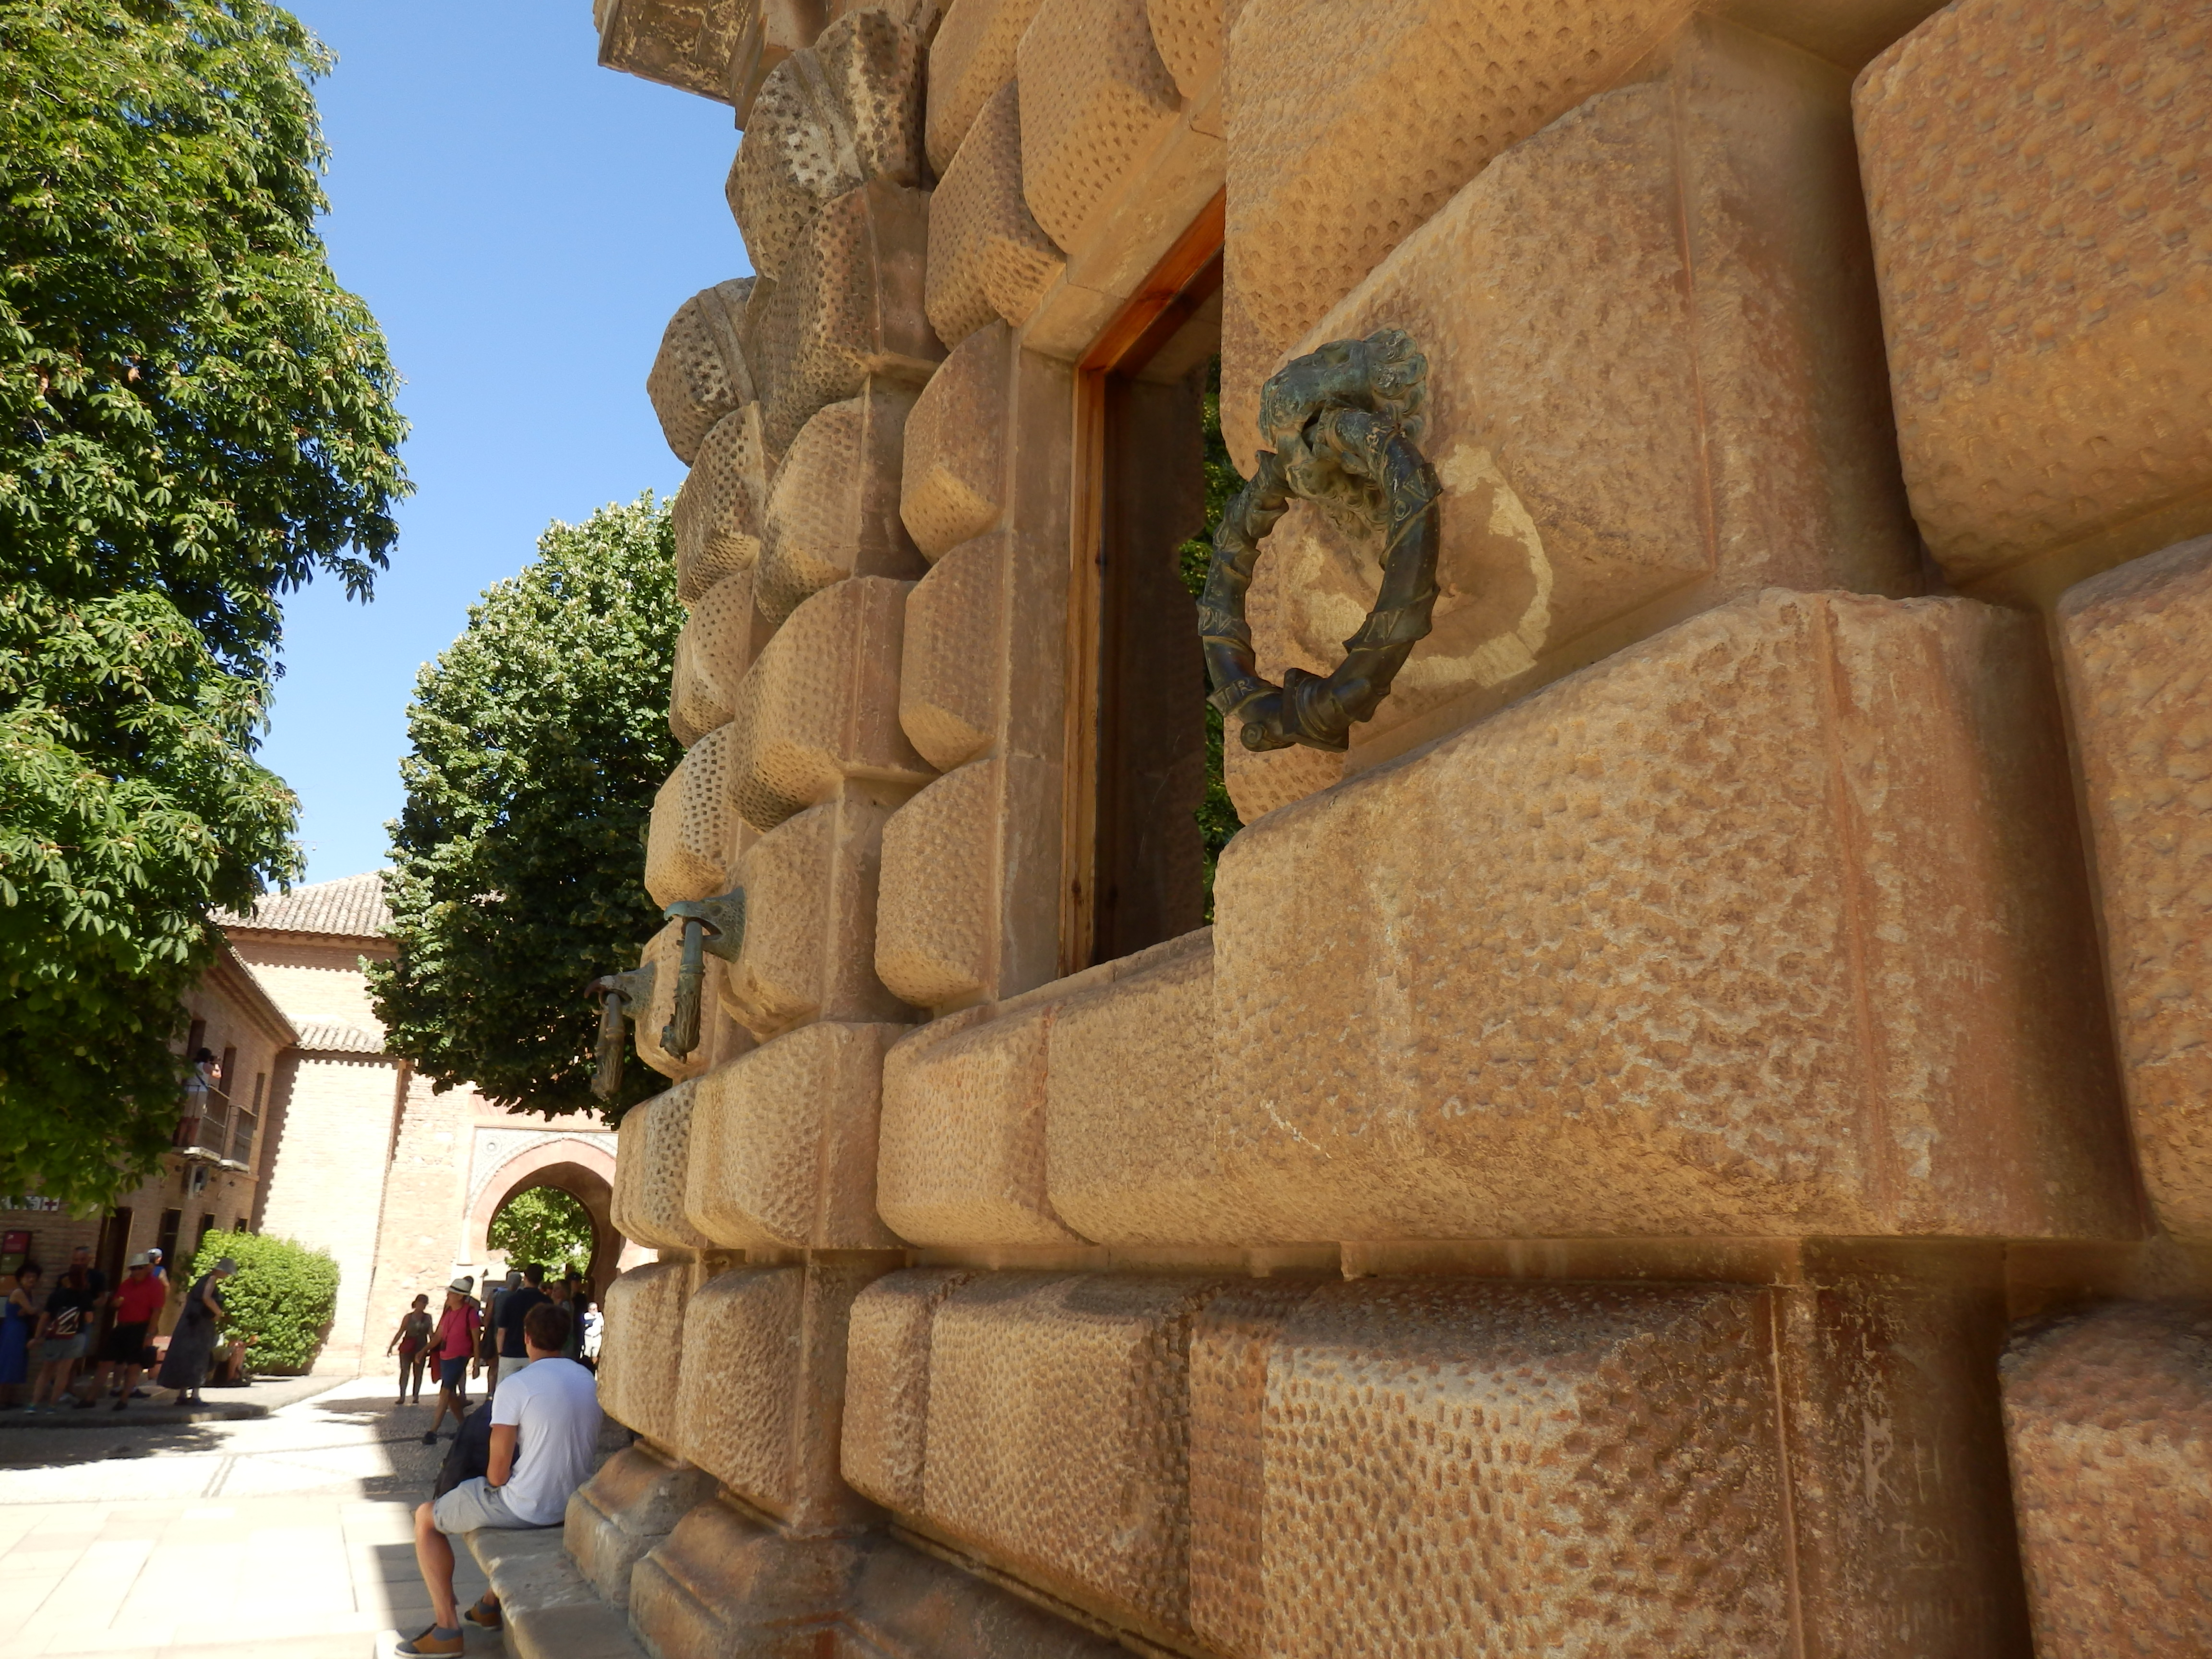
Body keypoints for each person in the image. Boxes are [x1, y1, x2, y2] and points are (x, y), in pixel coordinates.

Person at [398, 1302, 602, 1658]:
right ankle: (489, 1606)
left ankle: (446, 1629)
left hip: (528, 1508)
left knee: (426, 1518)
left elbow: (497, 1474)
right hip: (572, 1501)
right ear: (566, 1339)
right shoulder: (588, 1380)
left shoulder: (517, 1386)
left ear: (527, 1338)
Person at [32, 1244, 106, 1410]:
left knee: (68, 1363)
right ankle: (54, 1401)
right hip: (70, 1328)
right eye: (76, 1260)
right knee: (63, 1367)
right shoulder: (68, 1283)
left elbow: (102, 1299)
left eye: (82, 1260)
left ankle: (40, 1402)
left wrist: (85, 1306)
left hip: (68, 1329)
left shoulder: (97, 1277)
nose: (79, 1263)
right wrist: (83, 1307)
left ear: (89, 1260)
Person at [156, 1256, 235, 1405]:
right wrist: (219, 1313)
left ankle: (182, 1395)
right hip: (200, 1325)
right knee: (199, 1357)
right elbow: (207, 1298)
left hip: (190, 1323)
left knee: (187, 1357)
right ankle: (195, 1396)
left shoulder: (202, 1280)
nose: (227, 1276)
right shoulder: (211, 1279)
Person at [95, 1254, 166, 1409]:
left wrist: (150, 1334)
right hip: (122, 1326)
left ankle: (124, 1400)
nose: (136, 1272)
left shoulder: (155, 1285)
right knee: (105, 1361)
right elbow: (115, 1304)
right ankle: (90, 1398)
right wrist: (116, 1303)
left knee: (134, 1365)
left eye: (140, 1268)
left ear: (147, 1269)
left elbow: (157, 1311)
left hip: (140, 1328)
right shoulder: (126, 1284)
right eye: (134, 1269)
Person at [422, 1279, 480, 1447]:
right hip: (445, 1356)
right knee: (451, 1395)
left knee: (445, 1392)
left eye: (452, 1293)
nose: (448, 1295)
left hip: (459, 1357)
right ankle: (465, 1426)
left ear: (460, 1296)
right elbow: (439, 1336)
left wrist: (477, 1363)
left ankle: (433, 1431)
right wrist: (424, 1350)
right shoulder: (448, 1313)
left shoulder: (470, 1314)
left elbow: (476, 1340)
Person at [493, 1264, 550, 1389]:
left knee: (507, 1390)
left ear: (525, 1278)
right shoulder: (547, 1302)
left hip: (510, 1352)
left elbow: (502, 1330)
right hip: (536, 1354)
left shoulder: (512, 1300)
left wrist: (500, 1352)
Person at [0, 1263, 41, 1408]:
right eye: (28, 1277)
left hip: (21, 1330)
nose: (31, 1280)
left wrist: (29, 1311)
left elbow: (29, 1311)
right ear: (21, 1278)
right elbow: (32, 1311)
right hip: (14, 1331)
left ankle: (8, 1400)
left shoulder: (29, 1293)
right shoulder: (19, 1292)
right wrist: (32, 1310)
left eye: (34, 1277)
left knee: (16, 1365)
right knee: (8, 1364)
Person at [388, 1293, 435, 1407]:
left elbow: (431, 1333)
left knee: (418, 1373)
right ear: (416, 1303)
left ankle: (416, 1396)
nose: (423, 1305)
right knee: (405, 1372)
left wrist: (434, 1347)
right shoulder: (408, 1317)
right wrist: (392, 1346)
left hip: (421, 1347)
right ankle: (402, 1396)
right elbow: (401, 1332)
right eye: (421, 1302)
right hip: (408, 1347)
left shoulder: (428, 1318)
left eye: (425, 1303)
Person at [578, 1300, 603, 1371]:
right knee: (587, 1354)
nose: (595, 1311)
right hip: (588, 1338)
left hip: (597, 1337)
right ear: (589, 1310)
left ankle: (593, 1369)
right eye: (593, 1309)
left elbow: (602, 1325)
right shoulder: (586, 1316)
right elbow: (584, 1324)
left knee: (595, 1354)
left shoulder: (600, 1316)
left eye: (596, 1309)